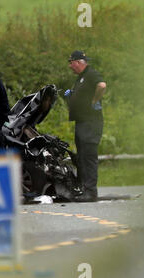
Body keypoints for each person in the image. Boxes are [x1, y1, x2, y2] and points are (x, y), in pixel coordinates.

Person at [65, 50, 106, 202]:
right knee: (81, 157)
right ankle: (84, 189)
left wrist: (94, 101)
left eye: (71, 62)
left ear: (78, 62)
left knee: (88, 157)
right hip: (82, 122)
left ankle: (91, 191)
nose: (70, 66)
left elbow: (101, 86)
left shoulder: (90, 74)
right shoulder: (81, 78)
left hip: (90, 123)